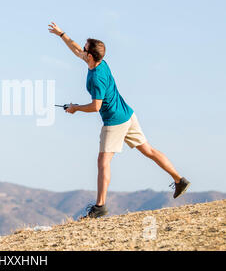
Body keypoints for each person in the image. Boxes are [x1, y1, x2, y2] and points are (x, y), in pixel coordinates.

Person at [48, 22, 191, 219]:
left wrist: (75, 109)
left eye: (85, 47)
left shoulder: (97, 77)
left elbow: (95, 107)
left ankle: (100, 207)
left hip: (115, 122)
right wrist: (61, 34)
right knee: (148, 150)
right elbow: (75, 49)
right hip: (128, 114)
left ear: (90, 56)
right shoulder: (98, 62)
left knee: (103, 162)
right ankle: (179, 180)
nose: (82, 48)